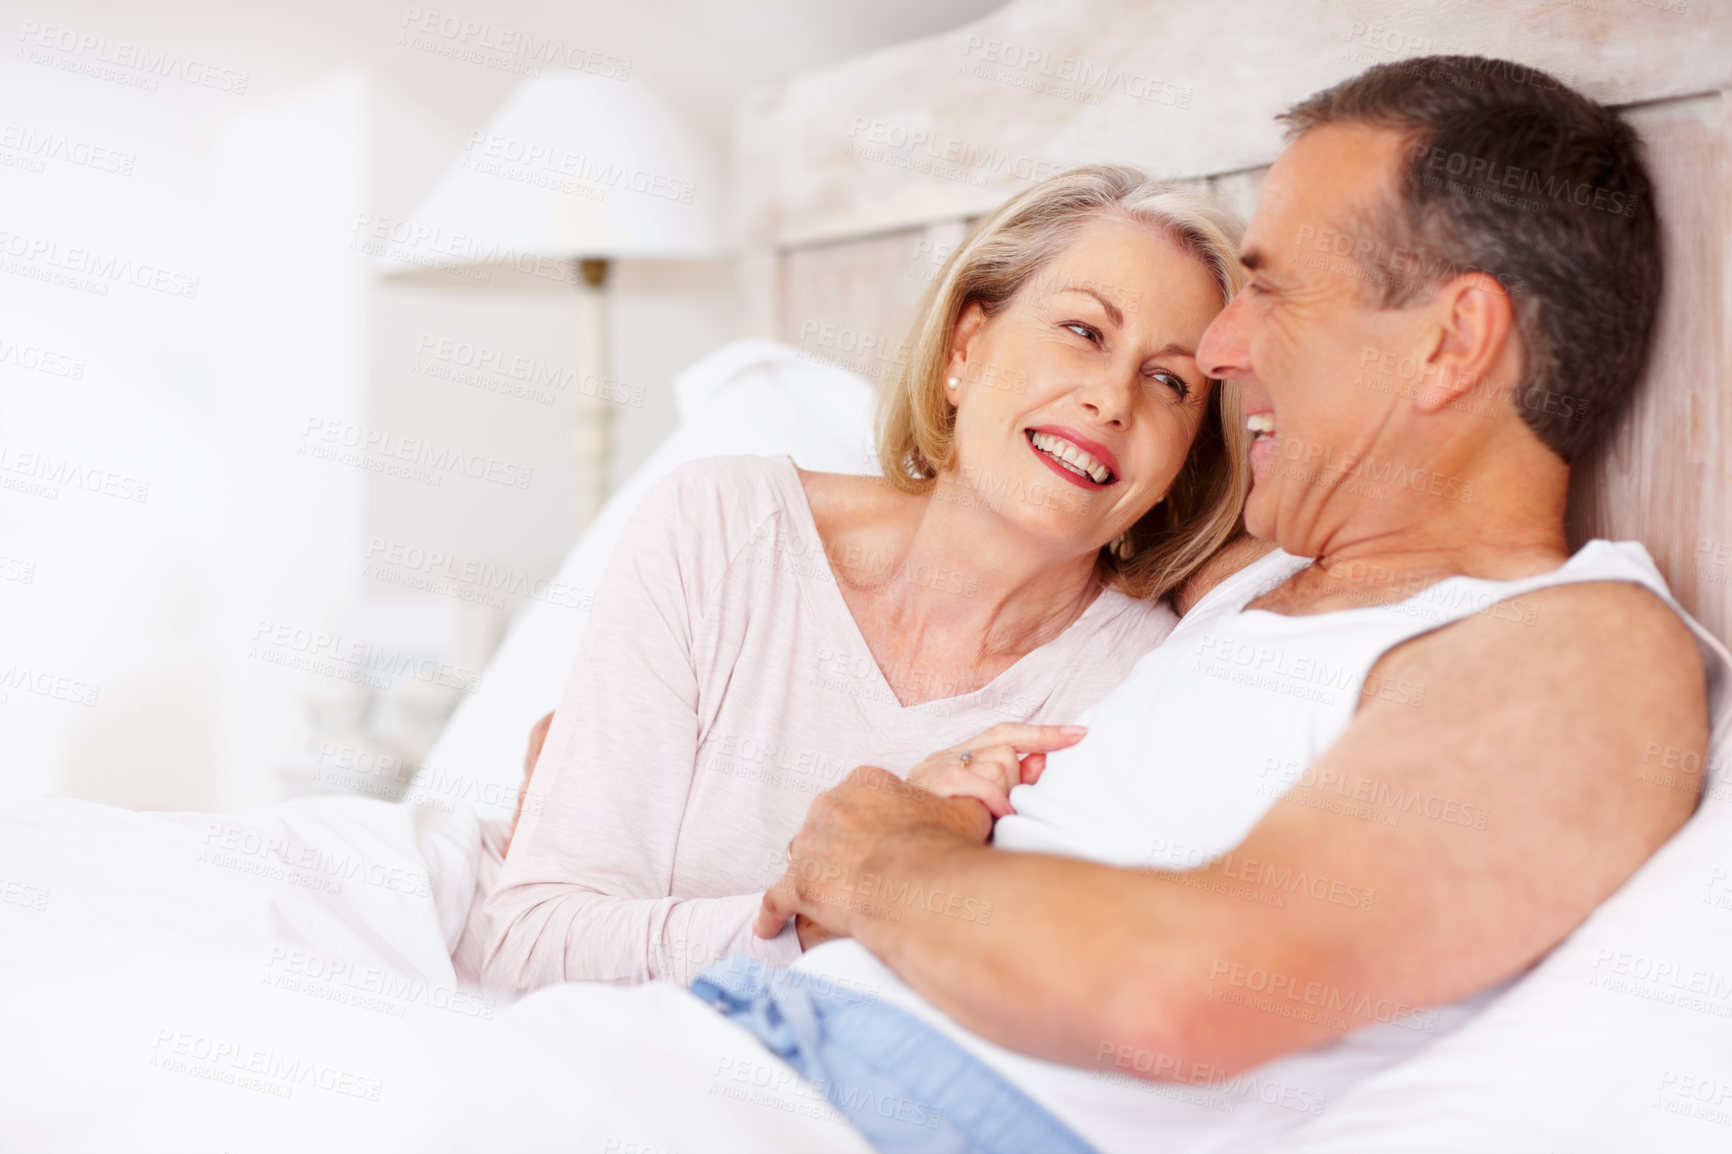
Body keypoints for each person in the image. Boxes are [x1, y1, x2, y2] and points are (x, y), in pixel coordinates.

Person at [422, 55, 1725, 1154]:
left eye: (1270, 288)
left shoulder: (1576, 644)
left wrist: (878, 857)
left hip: (885, 1094)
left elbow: (1180, 993)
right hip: (757, 1047)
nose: (1221, 353)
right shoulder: (1262, 586)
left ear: (1450, 342)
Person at [462, 166, 1253, 993]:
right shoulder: (721, 531)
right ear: (965, 349)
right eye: (1085, 332)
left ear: (1185, 458)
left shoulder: (1142, 686)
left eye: (1171, 382)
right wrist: (816, 920)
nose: (1112, 399)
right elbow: (527, 950)